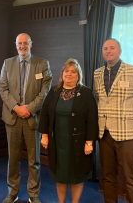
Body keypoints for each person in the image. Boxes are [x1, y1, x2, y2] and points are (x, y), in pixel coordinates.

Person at [94, 38, 133, 203]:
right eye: (105, 48)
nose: (108, 51)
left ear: (119, 51)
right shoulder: (97, 73)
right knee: (108, 176)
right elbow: (100, 100)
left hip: (129, 134)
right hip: (105, 133)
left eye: (112, 48)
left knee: (129, 176)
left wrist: (130, 116)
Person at [0, 33, 52, 203]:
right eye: (19, 43)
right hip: (12, 118)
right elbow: (3, 88)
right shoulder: (7, 63)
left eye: (25, 43)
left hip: (32, 118)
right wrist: (16, 107)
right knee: (13, 159)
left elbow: (45, 90)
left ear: (31, 44)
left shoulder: (42, 64)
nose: (22, 46)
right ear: (16, 45)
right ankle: (12, 193)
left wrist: (29, 109)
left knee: (34, 160)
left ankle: (33, 195)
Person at [38, 58, 98, 203]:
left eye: (73, 72)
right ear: (62, 73)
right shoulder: (54, 91)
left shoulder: (86, 93)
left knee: (77, 177)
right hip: (58, 143)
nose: (69, 74)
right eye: (66, 71)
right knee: (60, 175)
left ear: (78, 75)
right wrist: (44, 136)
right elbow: (45, 113)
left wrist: (89, 142)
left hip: (78, 143)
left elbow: (92, 119)